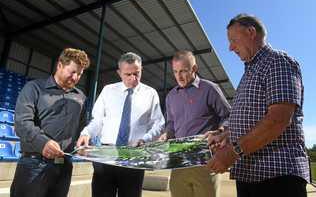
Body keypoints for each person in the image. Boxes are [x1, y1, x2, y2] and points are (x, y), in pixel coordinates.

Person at [207, 13, 310, 197]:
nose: (230, 47)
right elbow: (255, 118)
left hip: (277, 178)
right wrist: (228, 135)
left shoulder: (277, 62)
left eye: (233, 40)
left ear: (251, 32)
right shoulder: (250, 72)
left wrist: (233, 151)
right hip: (250, 176)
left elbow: (278, 120)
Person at [76, 52, 165, 197]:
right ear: (119, 72)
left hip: (134, 156)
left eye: (137, 73)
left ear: (141, 69)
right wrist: (86, 133)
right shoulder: (108, 90)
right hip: (106, 155)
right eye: (127, 74)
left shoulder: (151, 93)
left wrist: (146, 139)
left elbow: (159, 124)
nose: (133, 78)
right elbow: (97, 120)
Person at [10, 48, 90, 197]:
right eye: (72, 72)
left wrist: (82, 142)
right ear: (59, 65)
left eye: (79, 74)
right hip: (34, 164)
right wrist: (43, 143)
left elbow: (82, 127)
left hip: (64, 165)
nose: (76, 77)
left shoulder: (81, 98)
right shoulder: (34, 88)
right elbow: (22, 122)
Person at [159, 50, 231, 197]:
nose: (179, 76)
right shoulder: (171, 96)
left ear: (194, 69)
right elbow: (171, 123)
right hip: (179, 160)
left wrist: (220, 131)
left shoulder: (209, 89)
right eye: (175, 71)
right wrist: (166, 134)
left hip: (205, 160)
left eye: (183, 71)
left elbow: (229, 116)